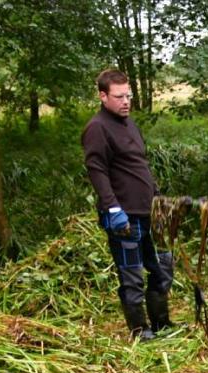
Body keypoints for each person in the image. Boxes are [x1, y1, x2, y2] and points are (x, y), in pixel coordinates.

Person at [82, 69, 175, 341]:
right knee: (132, 275)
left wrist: (157, 195)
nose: (126, 101)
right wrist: (112, 208)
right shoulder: (97, 128)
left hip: (147, 211)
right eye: (119, 96)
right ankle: (140, 331)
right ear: (102, 96)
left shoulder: (129, 123)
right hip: (125, 217)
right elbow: (96, 169)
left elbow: (138, 164)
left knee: (161, 267)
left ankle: (161, 323)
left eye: (129, 95)